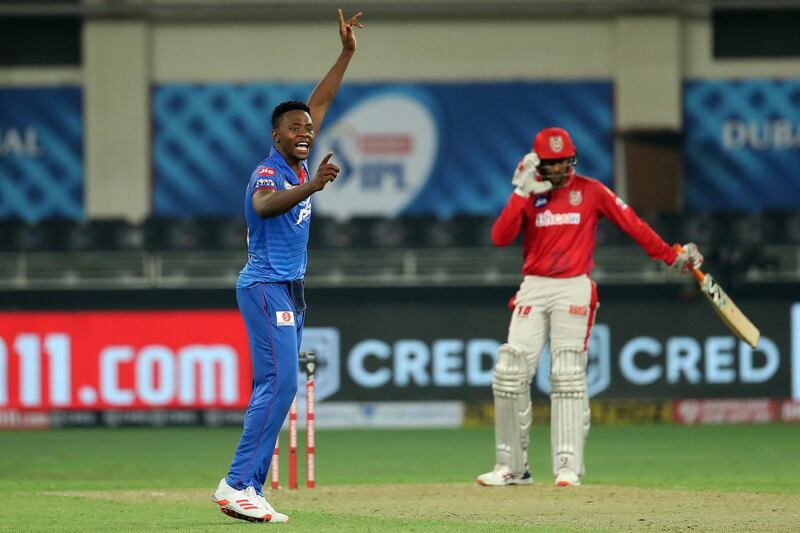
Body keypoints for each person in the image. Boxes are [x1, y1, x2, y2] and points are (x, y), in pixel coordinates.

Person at [476, 127, 703, 488]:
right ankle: (512, 468)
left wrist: (670, 256)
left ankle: (567, 466)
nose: (559, 170)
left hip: (574, 286)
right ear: (539, 163)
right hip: (533, 287)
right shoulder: (528, 193)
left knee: (567, 372)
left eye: (564, 162)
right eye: (551, 164)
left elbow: (634, 225)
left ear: (572, 160)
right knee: (509, 371)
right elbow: (499, 237)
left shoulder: (591, 191)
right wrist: (520, 193)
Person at [212, 9, 364, 523]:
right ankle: (236, 484)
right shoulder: (269, 172)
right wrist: (313, 186)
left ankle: (247, 487)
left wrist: (345, 54)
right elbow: (264, 207)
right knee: (279, 386)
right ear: (275, 137)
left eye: (308, 128)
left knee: (276, 386)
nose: (305, 131)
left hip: (291, 291)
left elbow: (319, 101)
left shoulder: (298, 159)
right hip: (265, 286)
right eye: (294, 128)